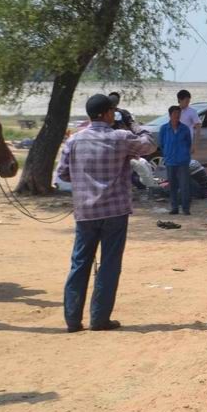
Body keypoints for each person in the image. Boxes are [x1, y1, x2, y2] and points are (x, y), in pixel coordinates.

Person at [56, 94, 157, 332]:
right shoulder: (120, 138)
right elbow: (150, 145)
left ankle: (72, 319)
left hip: (85, 211)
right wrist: (133, 124)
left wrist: (83, 181)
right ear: (107, 113)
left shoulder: (74, 140)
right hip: (115, 211)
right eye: (113, 111)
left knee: (80, 263)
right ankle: (99, 319)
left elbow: (62, 174)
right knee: (109, 264)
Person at [159, 105, 193, 215]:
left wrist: (185, 155)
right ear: (170, 115)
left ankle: (186, 208)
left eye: (179, 114)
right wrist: (167, 154)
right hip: (170, 161)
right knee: (172, 186)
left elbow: (188, 143)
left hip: (182, 161)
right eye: (174, 114)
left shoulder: (185, 129)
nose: (177, 116)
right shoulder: (164, 128)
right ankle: (174, 208)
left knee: (184, 186)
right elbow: (162, 144)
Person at [177, 90, 202, 154]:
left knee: (184, 162)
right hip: (175, 142)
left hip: (186, 142)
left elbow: (198, 128)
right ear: (180, 100)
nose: (188, 103)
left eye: (189, 101)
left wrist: (194, 145)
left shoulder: (192, 112)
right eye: (186, 101)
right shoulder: (174, 111)